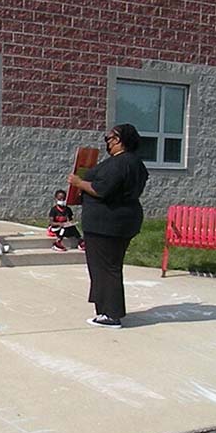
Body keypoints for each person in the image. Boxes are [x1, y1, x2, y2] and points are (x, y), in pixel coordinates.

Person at [67, 123, 149, 329]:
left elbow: (102, 189)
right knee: (110, 266)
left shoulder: (119, 163)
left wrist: (78, 182)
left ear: (120, 140)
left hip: (106, 224)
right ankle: (105, 310)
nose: (107, 143)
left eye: (109, 139)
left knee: (104, 268)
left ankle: (111, 315)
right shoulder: (136, 163)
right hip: (124, 221)